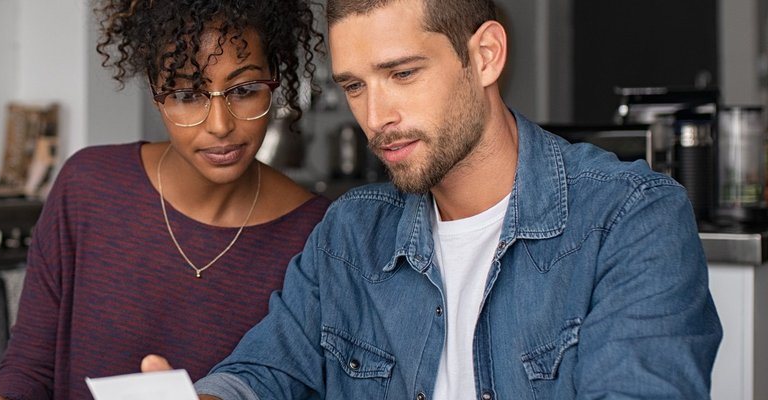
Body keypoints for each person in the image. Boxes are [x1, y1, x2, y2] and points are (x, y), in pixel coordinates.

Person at [143, 0, 724, 398]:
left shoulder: (631, 219)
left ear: (486, 56)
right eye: (355, 85)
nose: (376, 118)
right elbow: (265, 371)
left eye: (402, 74)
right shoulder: (350, 234)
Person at [0, 1, 328, 399]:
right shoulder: (87, 187)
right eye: (186, 94)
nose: (220, 125)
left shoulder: (319, 234)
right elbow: (29, 365)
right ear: (156, 93)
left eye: (245, 90)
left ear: (275, 79)